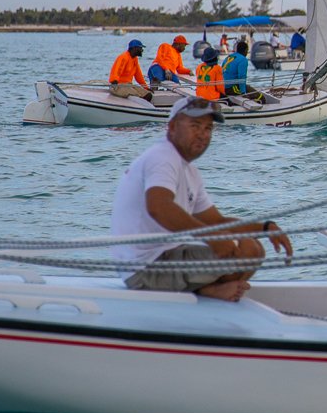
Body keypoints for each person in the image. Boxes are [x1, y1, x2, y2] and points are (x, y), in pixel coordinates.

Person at [110, 97, 292, 300]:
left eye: (208, 128)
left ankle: (207, 289)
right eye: (195, 126)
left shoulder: (189, 170)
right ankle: (208, 291)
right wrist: (210, 239)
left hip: (160, 259)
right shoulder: (162, 157)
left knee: (251, 246)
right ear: (171, 127)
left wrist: (265, 228)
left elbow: (216, 221)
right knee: (247, 250)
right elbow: (159, 207)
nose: (202, 134)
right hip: (144, 269)